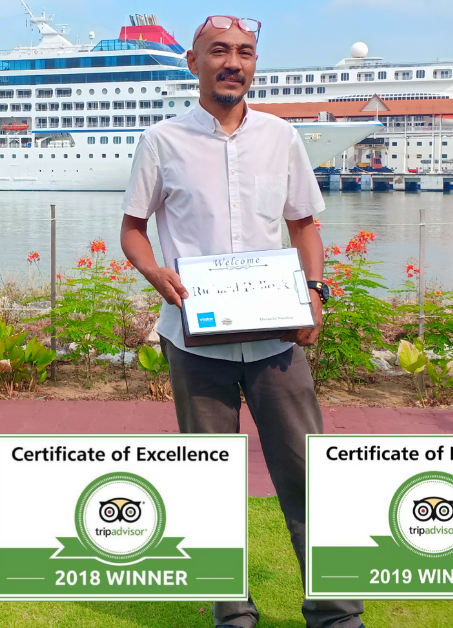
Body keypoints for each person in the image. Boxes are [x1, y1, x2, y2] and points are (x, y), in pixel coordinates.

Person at [119, 15, 365, 628]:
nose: (234, 62)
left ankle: (336, 614)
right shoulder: (162, 140)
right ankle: (232, 614)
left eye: (246, 53)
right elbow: (133, 231)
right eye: (220, 51)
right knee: (210, 481)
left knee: (309, 471)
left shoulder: (281, 136)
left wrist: (316, 294)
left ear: (254, 64)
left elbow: (304, 223)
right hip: (193, 339)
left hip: (278, 337)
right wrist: (157, 276)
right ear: (193, 62)